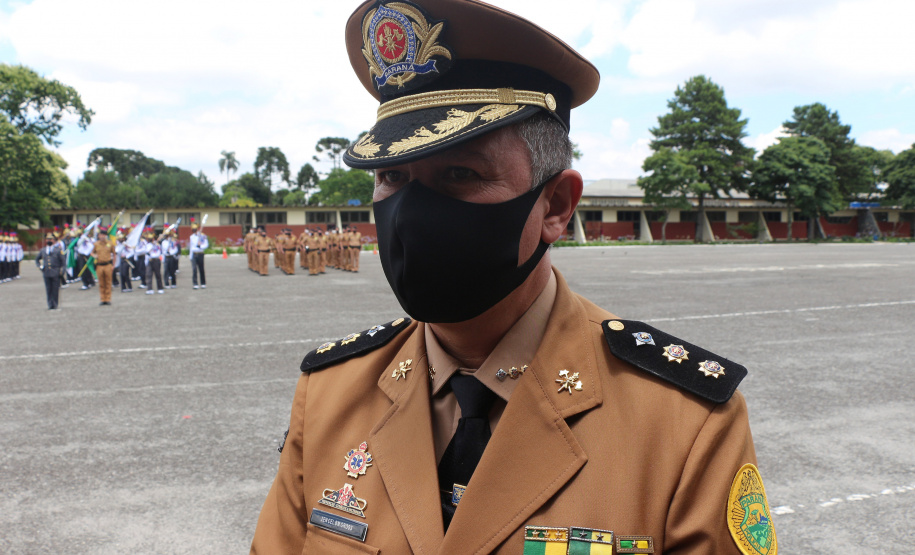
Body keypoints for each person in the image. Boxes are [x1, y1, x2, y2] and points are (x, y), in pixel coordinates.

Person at [251, 1, 774, 554]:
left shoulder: (681, 424)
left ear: (555, 205)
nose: (409, 214)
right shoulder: (332, 394)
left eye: (459, 173)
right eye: (392, 176)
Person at [35, 233, 65, 309]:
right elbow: (37, 259)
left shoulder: (58, 250)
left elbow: (63, 262)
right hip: (46, 272)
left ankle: (55, 304)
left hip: (55, 272)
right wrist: (40, 267)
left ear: (54, 240)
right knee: (48, 289)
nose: (49, 240)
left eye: (51, 239)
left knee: (55, 289)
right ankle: (49, 304)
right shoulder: (43, 250)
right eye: (48, 239)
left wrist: (62, 272)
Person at [90, 226, 116, 306]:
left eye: (104, 235)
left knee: (108, 282)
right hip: (99, 265)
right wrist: (94, 256)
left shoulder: (110, 243)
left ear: (106, 236)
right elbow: (91, 252)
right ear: (98, 236)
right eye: (101, 235)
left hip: (108, 264)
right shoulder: (96, 244)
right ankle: (102, 299)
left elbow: (114, 255)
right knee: (101, 283)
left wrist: (113, 265)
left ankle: (108, 299)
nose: (102, 236)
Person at [188, 223, 208, 289]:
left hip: (200, 254)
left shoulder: (203, 236)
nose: (194, 231)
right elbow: (191, 247)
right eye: (193, 230)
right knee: (194, 269)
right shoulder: (191, 237)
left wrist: (200, 246)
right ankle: (195, 284)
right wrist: (190, 256)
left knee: (201, 269)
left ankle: (203, 283)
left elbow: (206, 245)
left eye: (195, 229)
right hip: (194, 254)